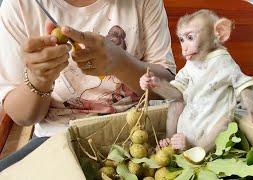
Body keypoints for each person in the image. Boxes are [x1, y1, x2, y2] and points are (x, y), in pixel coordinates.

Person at [0, 0, 175, 171]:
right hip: (58, 137)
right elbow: (23, 116)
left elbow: (167, 90)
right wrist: (39, 79)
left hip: (137, 132)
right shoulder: (21, 6)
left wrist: (121, 63)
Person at [140, 10, 253, 152]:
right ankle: (169, 140)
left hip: (211, 128)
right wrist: (156, 84)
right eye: (182, 39)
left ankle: (197, 151)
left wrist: (252, 103)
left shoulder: (222, 60)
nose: (184, 47)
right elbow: (176, 94)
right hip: (189, 124)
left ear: (219, 33)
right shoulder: (191, 64)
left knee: (224, 124)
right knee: (175, 104)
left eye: (190, 37)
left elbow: (241, 83)